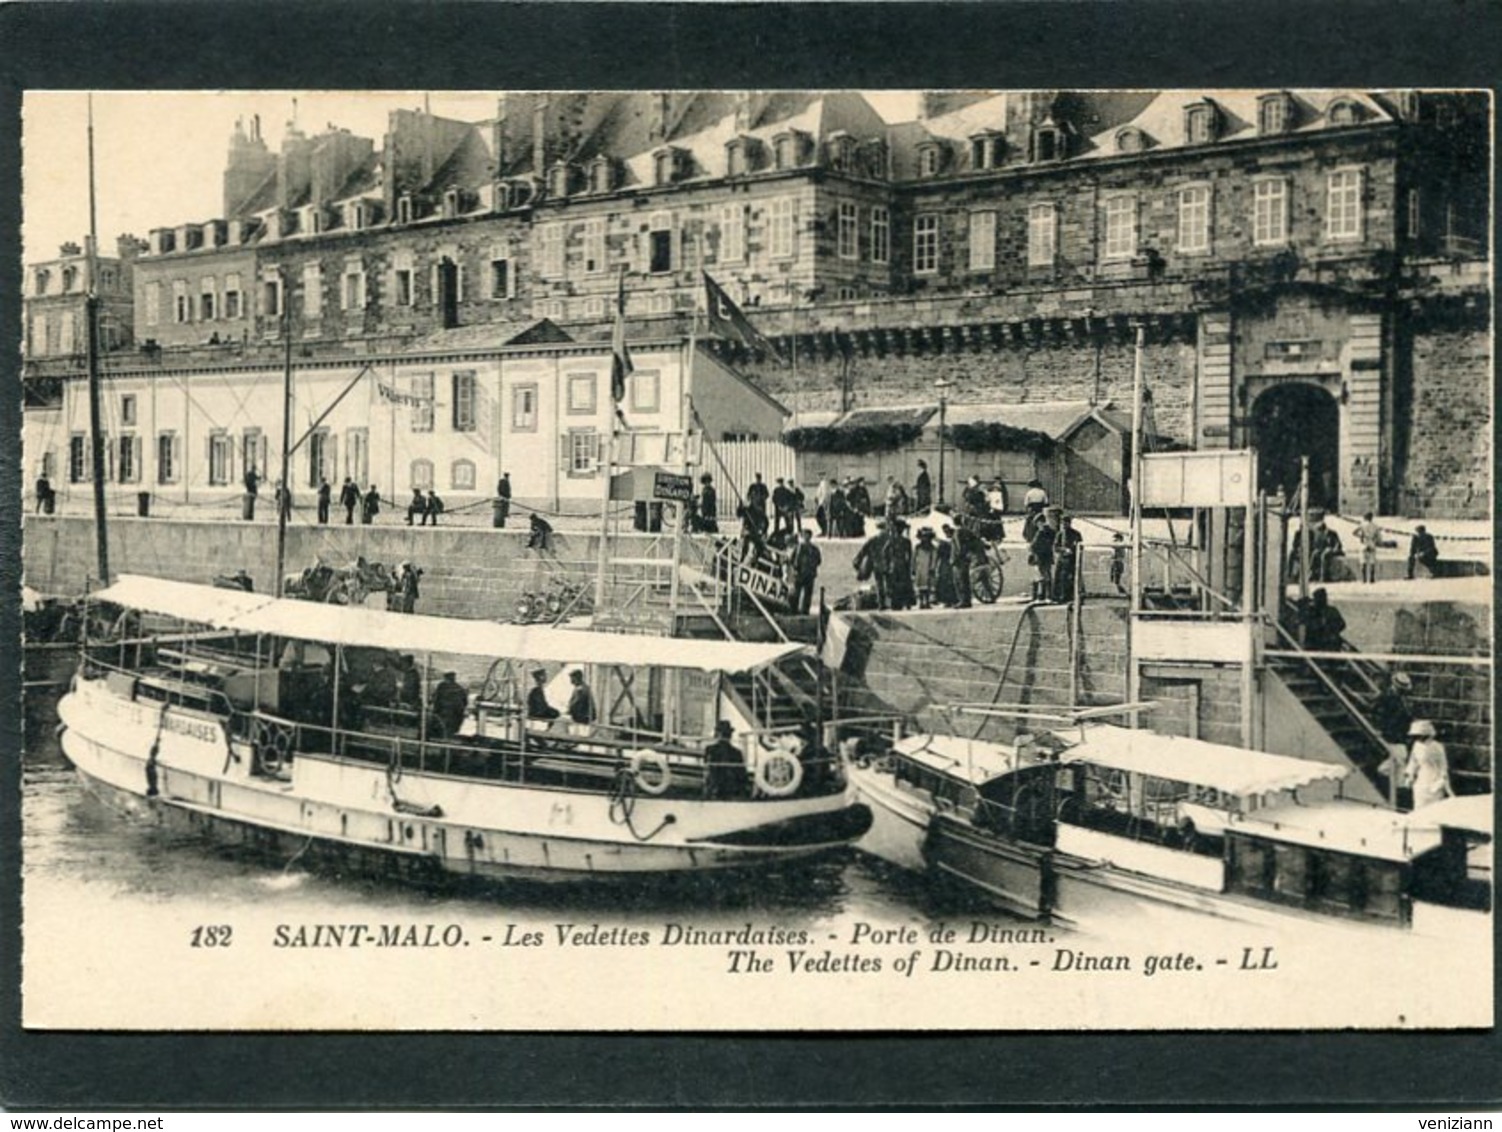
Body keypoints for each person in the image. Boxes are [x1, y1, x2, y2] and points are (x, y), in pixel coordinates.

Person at [1405, 720, 1452, 810]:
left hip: (1434, 780)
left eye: (1419, 736)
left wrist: (1441, 781)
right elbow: (1413, 761)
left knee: (1433, 808)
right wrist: (1409, 776)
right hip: (1421, 781)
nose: (1417, 738)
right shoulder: (1416, 746)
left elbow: (1443, 766)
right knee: (1419, 806)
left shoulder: (1437, 747)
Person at [703, 720, 747, 799]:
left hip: (715, 787)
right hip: (731, 788)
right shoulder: (736, 752)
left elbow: (707, 769)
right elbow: (742, 774)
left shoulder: (710, 749)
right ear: (730, 735)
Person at [853, 523, 891, 609]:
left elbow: (863, 551)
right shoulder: (889, 539)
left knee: (879, 584)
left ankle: (882, 603)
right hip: (887, 564)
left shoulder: (874, 539)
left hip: (877, 564)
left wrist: (857, 561)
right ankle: (887, 602)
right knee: (887, 584)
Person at [1301, 587, 1346, 652]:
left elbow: (1342, 624)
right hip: (1318, 644)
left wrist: (1331, 628)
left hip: (1327, 643)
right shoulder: (1312, 612)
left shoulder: (1331, 611)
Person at [1051, 514, 1083, 603]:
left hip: (1072, 560)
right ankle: (1058, 596)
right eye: (1062, 523)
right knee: (1059, 578)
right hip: (1062, 559)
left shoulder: (1076, 534)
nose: (1064, 525)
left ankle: (1069, 596)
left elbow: (1080, 545)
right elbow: (1055, 547)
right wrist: (1064, 550)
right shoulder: (1060, 534)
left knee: (1070, 578)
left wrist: (1073, 549)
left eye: (1066, 523)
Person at [789, 528, 822, 616]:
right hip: (800, 574)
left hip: (808, 574)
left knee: (807, 595)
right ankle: (795, 610)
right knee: (797, 594)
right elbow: (792, 560)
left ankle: (804, 611)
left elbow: (818, 561)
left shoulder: (813, 549)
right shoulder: (799, 548)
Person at [1029, 508, 1059, 602]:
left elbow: (1033, 545)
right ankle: (1044, 596)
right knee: (1045, 576)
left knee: (1042, 576)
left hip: (1041, 557)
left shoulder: (1041, 532)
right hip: (1044, 556)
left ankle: (1042, 596)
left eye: (1038, 523)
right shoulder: (1048, 531)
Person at [884, 520, 915, 610]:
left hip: (894, 563)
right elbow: (909, 555)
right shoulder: (906, 541)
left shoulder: (892, 540)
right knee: (903, 583)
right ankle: (905, 602)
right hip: (902, 563)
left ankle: (896, 603)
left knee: (895, 584)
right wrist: (908, 564)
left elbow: (885, 551)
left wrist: (888, 561)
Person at [431, 672, 469, 739]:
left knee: (443, 731)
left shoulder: (442, 686)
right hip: (455, 715)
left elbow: (436, 699)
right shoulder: (459, 688)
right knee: (450, 732)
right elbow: (465, 702)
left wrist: (435, 710)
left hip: (445, 714)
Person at [912, 526, 938, 608]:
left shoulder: (932, 548)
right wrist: (913, 568)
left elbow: (934, 558)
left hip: (928, 568)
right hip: (919, 568)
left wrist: (933, 567)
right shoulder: (917, 547)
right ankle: (921, 602)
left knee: (928, 586)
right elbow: (913, 558)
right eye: (923, 537)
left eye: (926, 537)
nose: (925, 538)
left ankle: (927, 602)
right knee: (920, 586)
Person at [1355, 512, 1382, 585]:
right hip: (1372, 543)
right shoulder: (1375, 526)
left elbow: (1354, 532)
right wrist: (1375, 540)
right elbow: (1379, 537)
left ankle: (1364, 579)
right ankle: (1371, 578)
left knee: (1363, 561)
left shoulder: (1362, 525)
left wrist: (1361, 536)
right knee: (1372, 561)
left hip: (1364, 543)